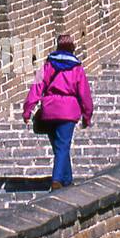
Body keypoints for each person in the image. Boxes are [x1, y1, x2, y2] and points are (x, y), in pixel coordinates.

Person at [23, 34, 93, 189]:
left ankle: (67, 181)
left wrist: (27, 110)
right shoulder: (77, 68)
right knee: (63, 146)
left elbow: (36, 88)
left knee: (60, 147)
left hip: (49, 110)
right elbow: (84, 94)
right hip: (68, 111)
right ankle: (56, 180)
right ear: (72, 48)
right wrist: (87, 115)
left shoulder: (47, 66)